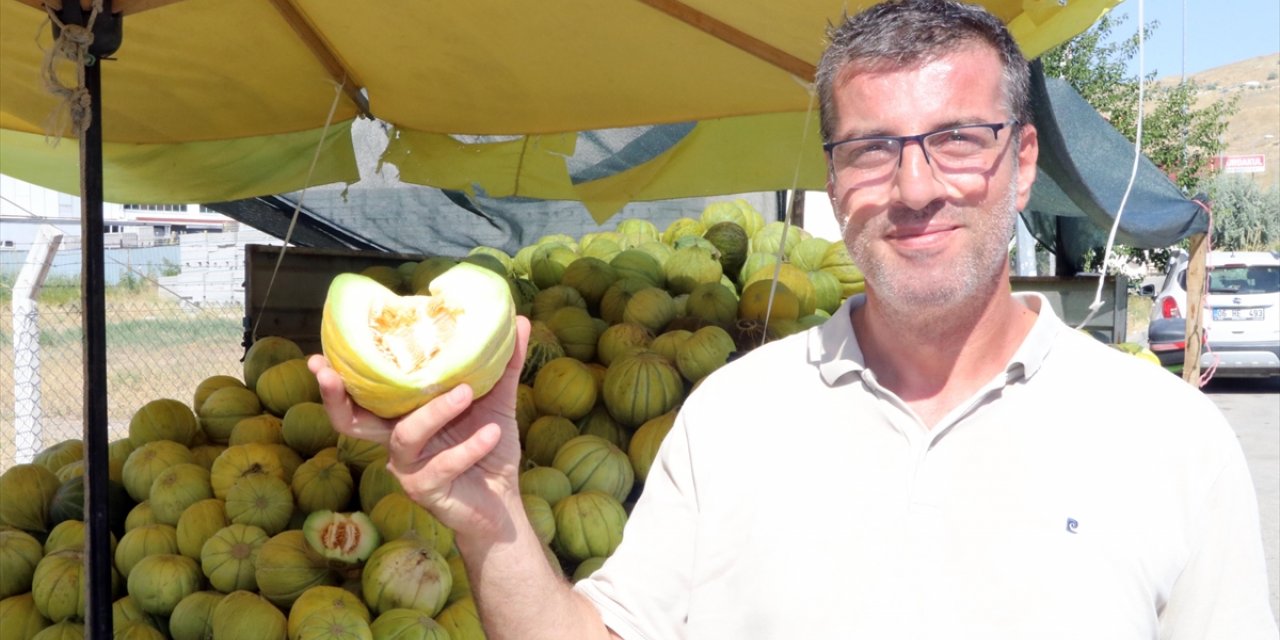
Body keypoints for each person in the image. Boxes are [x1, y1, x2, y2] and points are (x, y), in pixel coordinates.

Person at [310, 0, 1278, 637]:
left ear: (1022, 161)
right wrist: (486, 512)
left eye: (955, 140)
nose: (911, 187)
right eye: (869, 149)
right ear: (830, 175)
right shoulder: (731, 413)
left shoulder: (1166, 435)